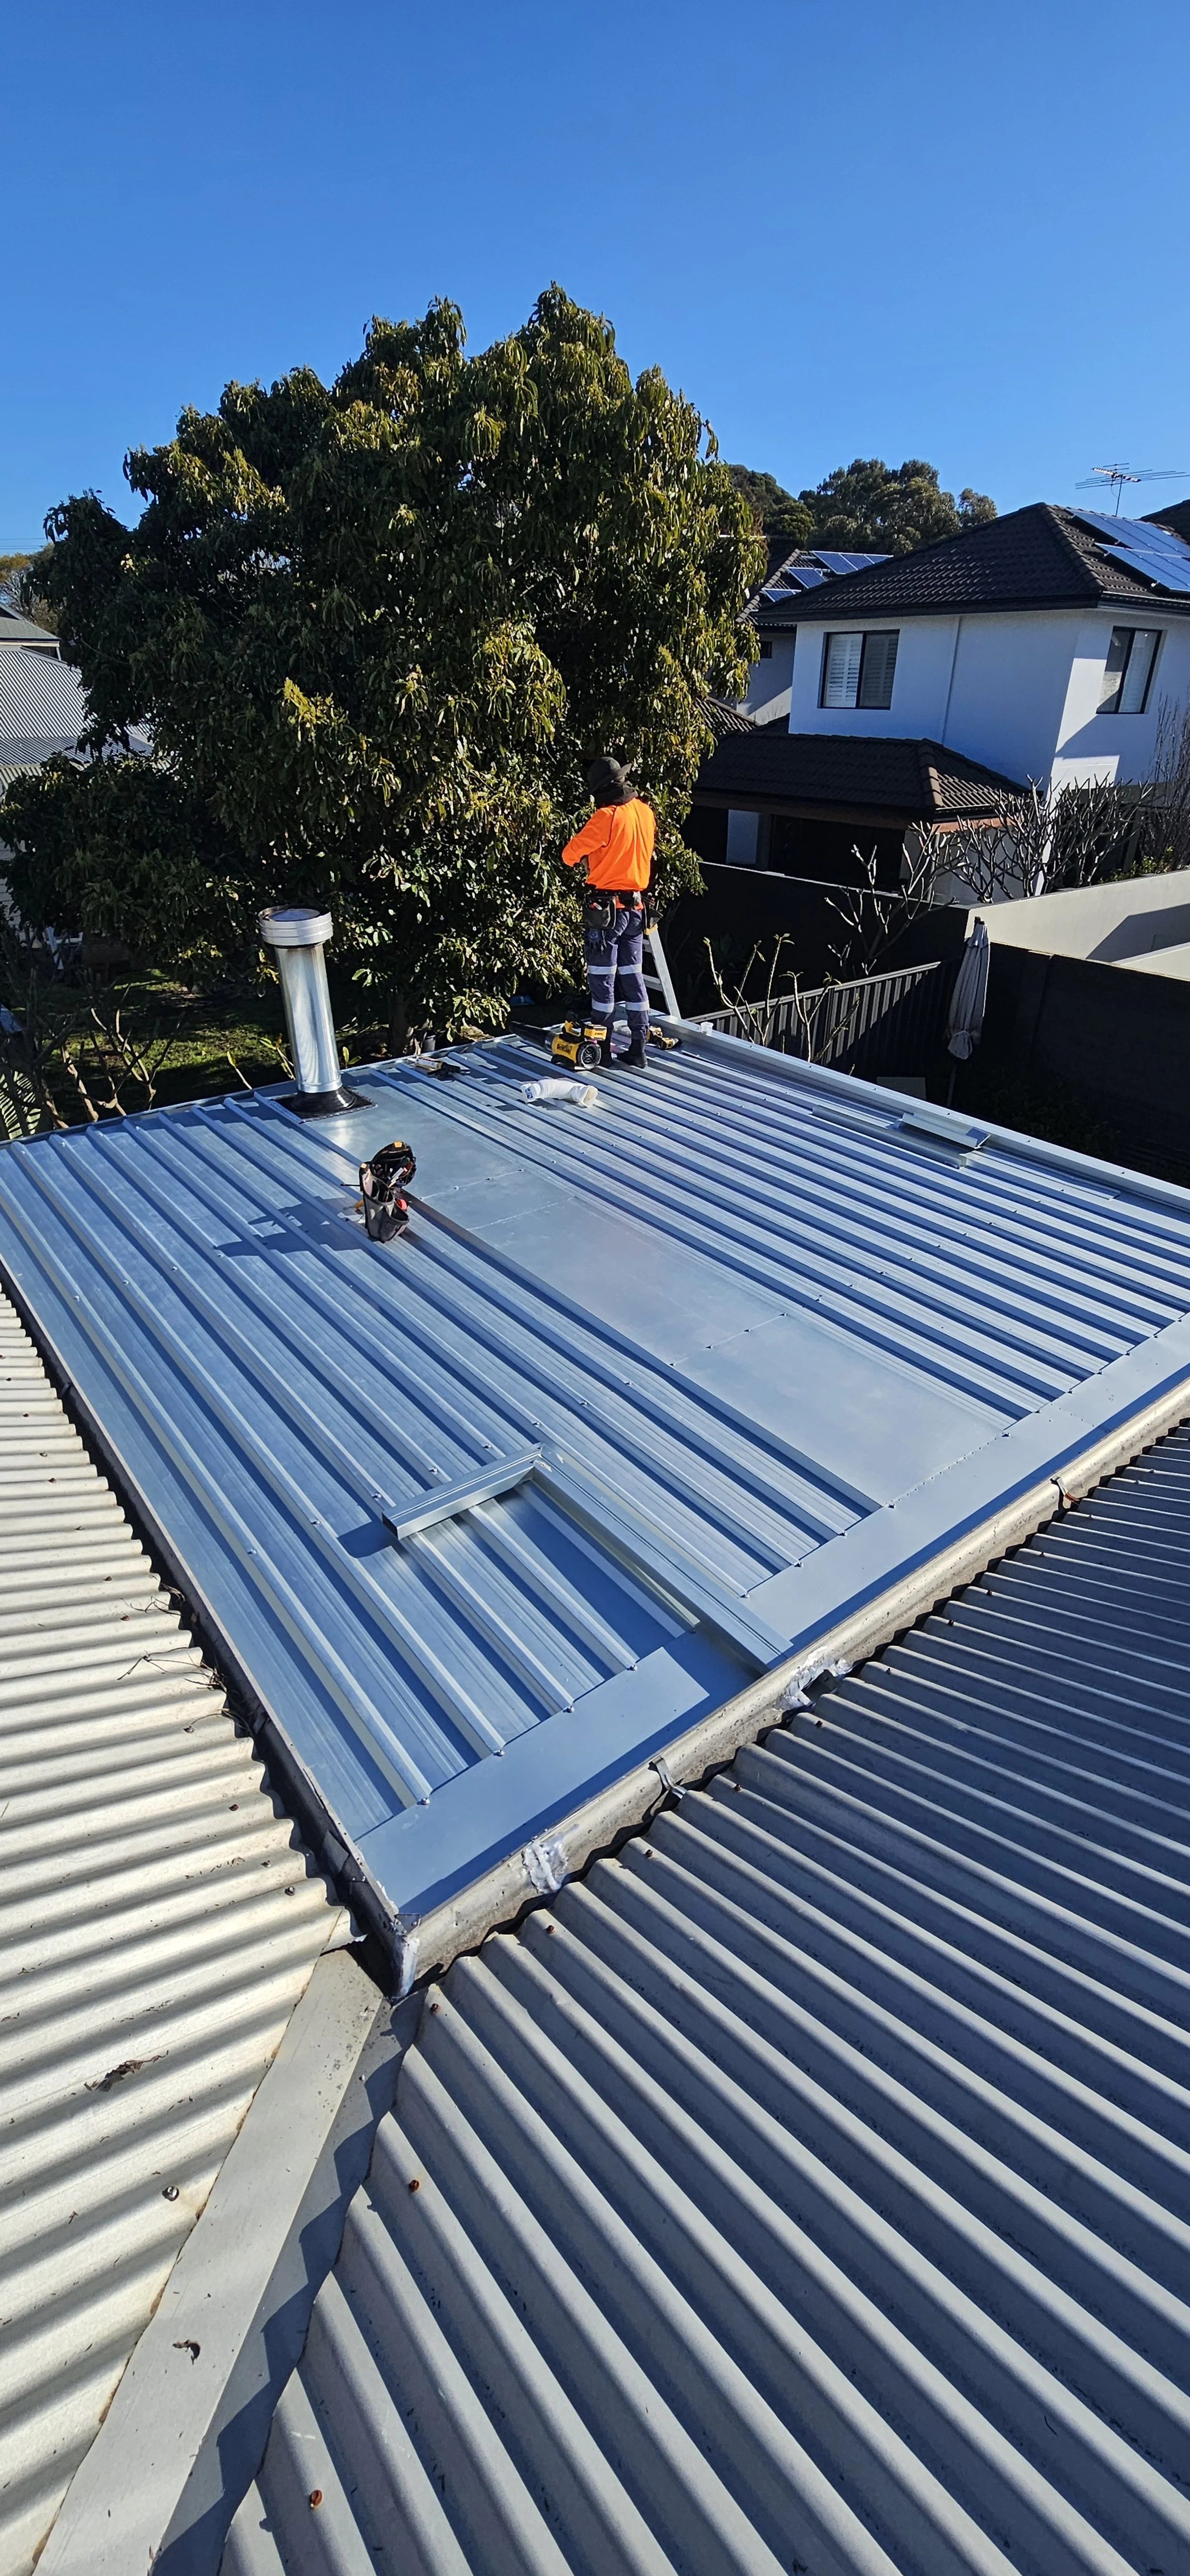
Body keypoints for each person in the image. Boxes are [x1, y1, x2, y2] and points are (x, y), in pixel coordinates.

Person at [561, 757, 656, 1071]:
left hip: (606, 912)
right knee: (634, 977)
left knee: (603, 979)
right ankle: (638, 1047)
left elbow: (569, 855)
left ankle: (601, 1045)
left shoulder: (606, 817)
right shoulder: (644, 812)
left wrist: (594, 855)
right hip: (637, 908)